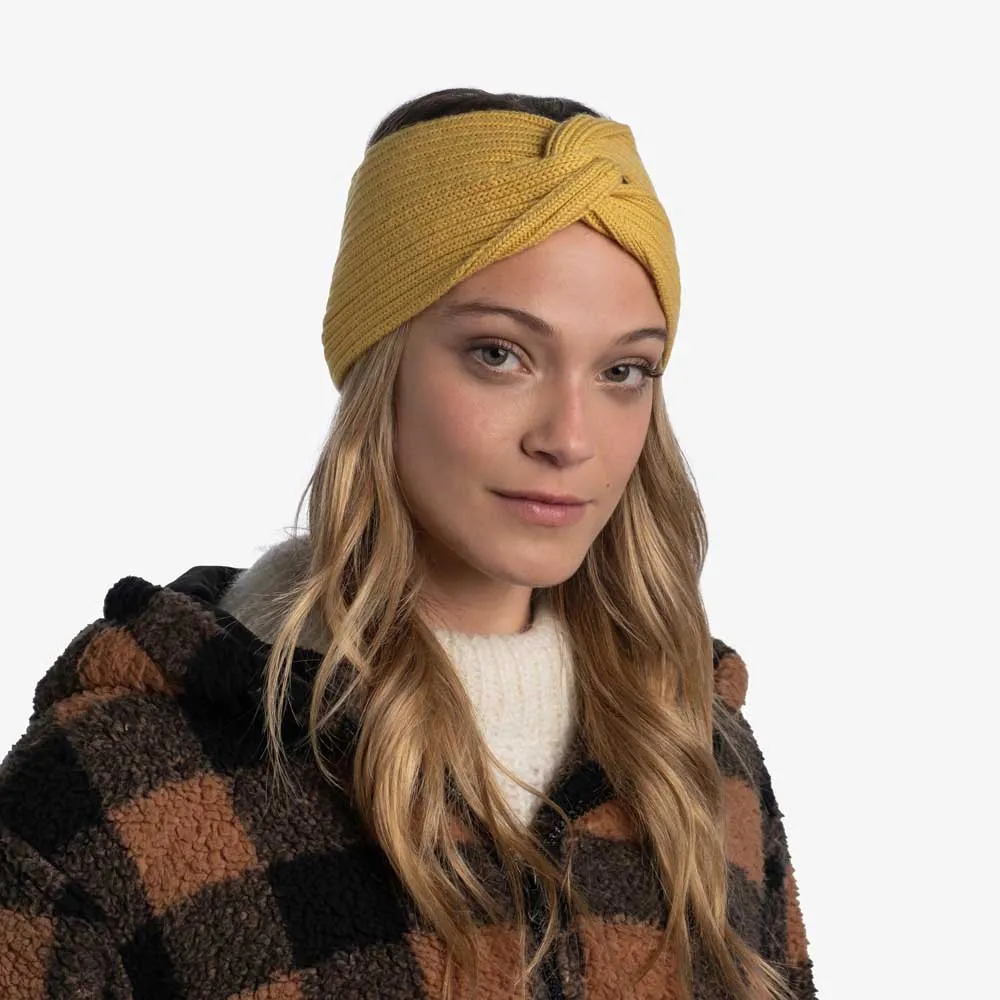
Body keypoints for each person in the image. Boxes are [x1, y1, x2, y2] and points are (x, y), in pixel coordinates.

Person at [0, 88, 816, 1000]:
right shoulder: (112, 789)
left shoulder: (695, 758)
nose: (570, 438)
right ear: (378, 363)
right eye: (499, 354)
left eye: (623, 370)